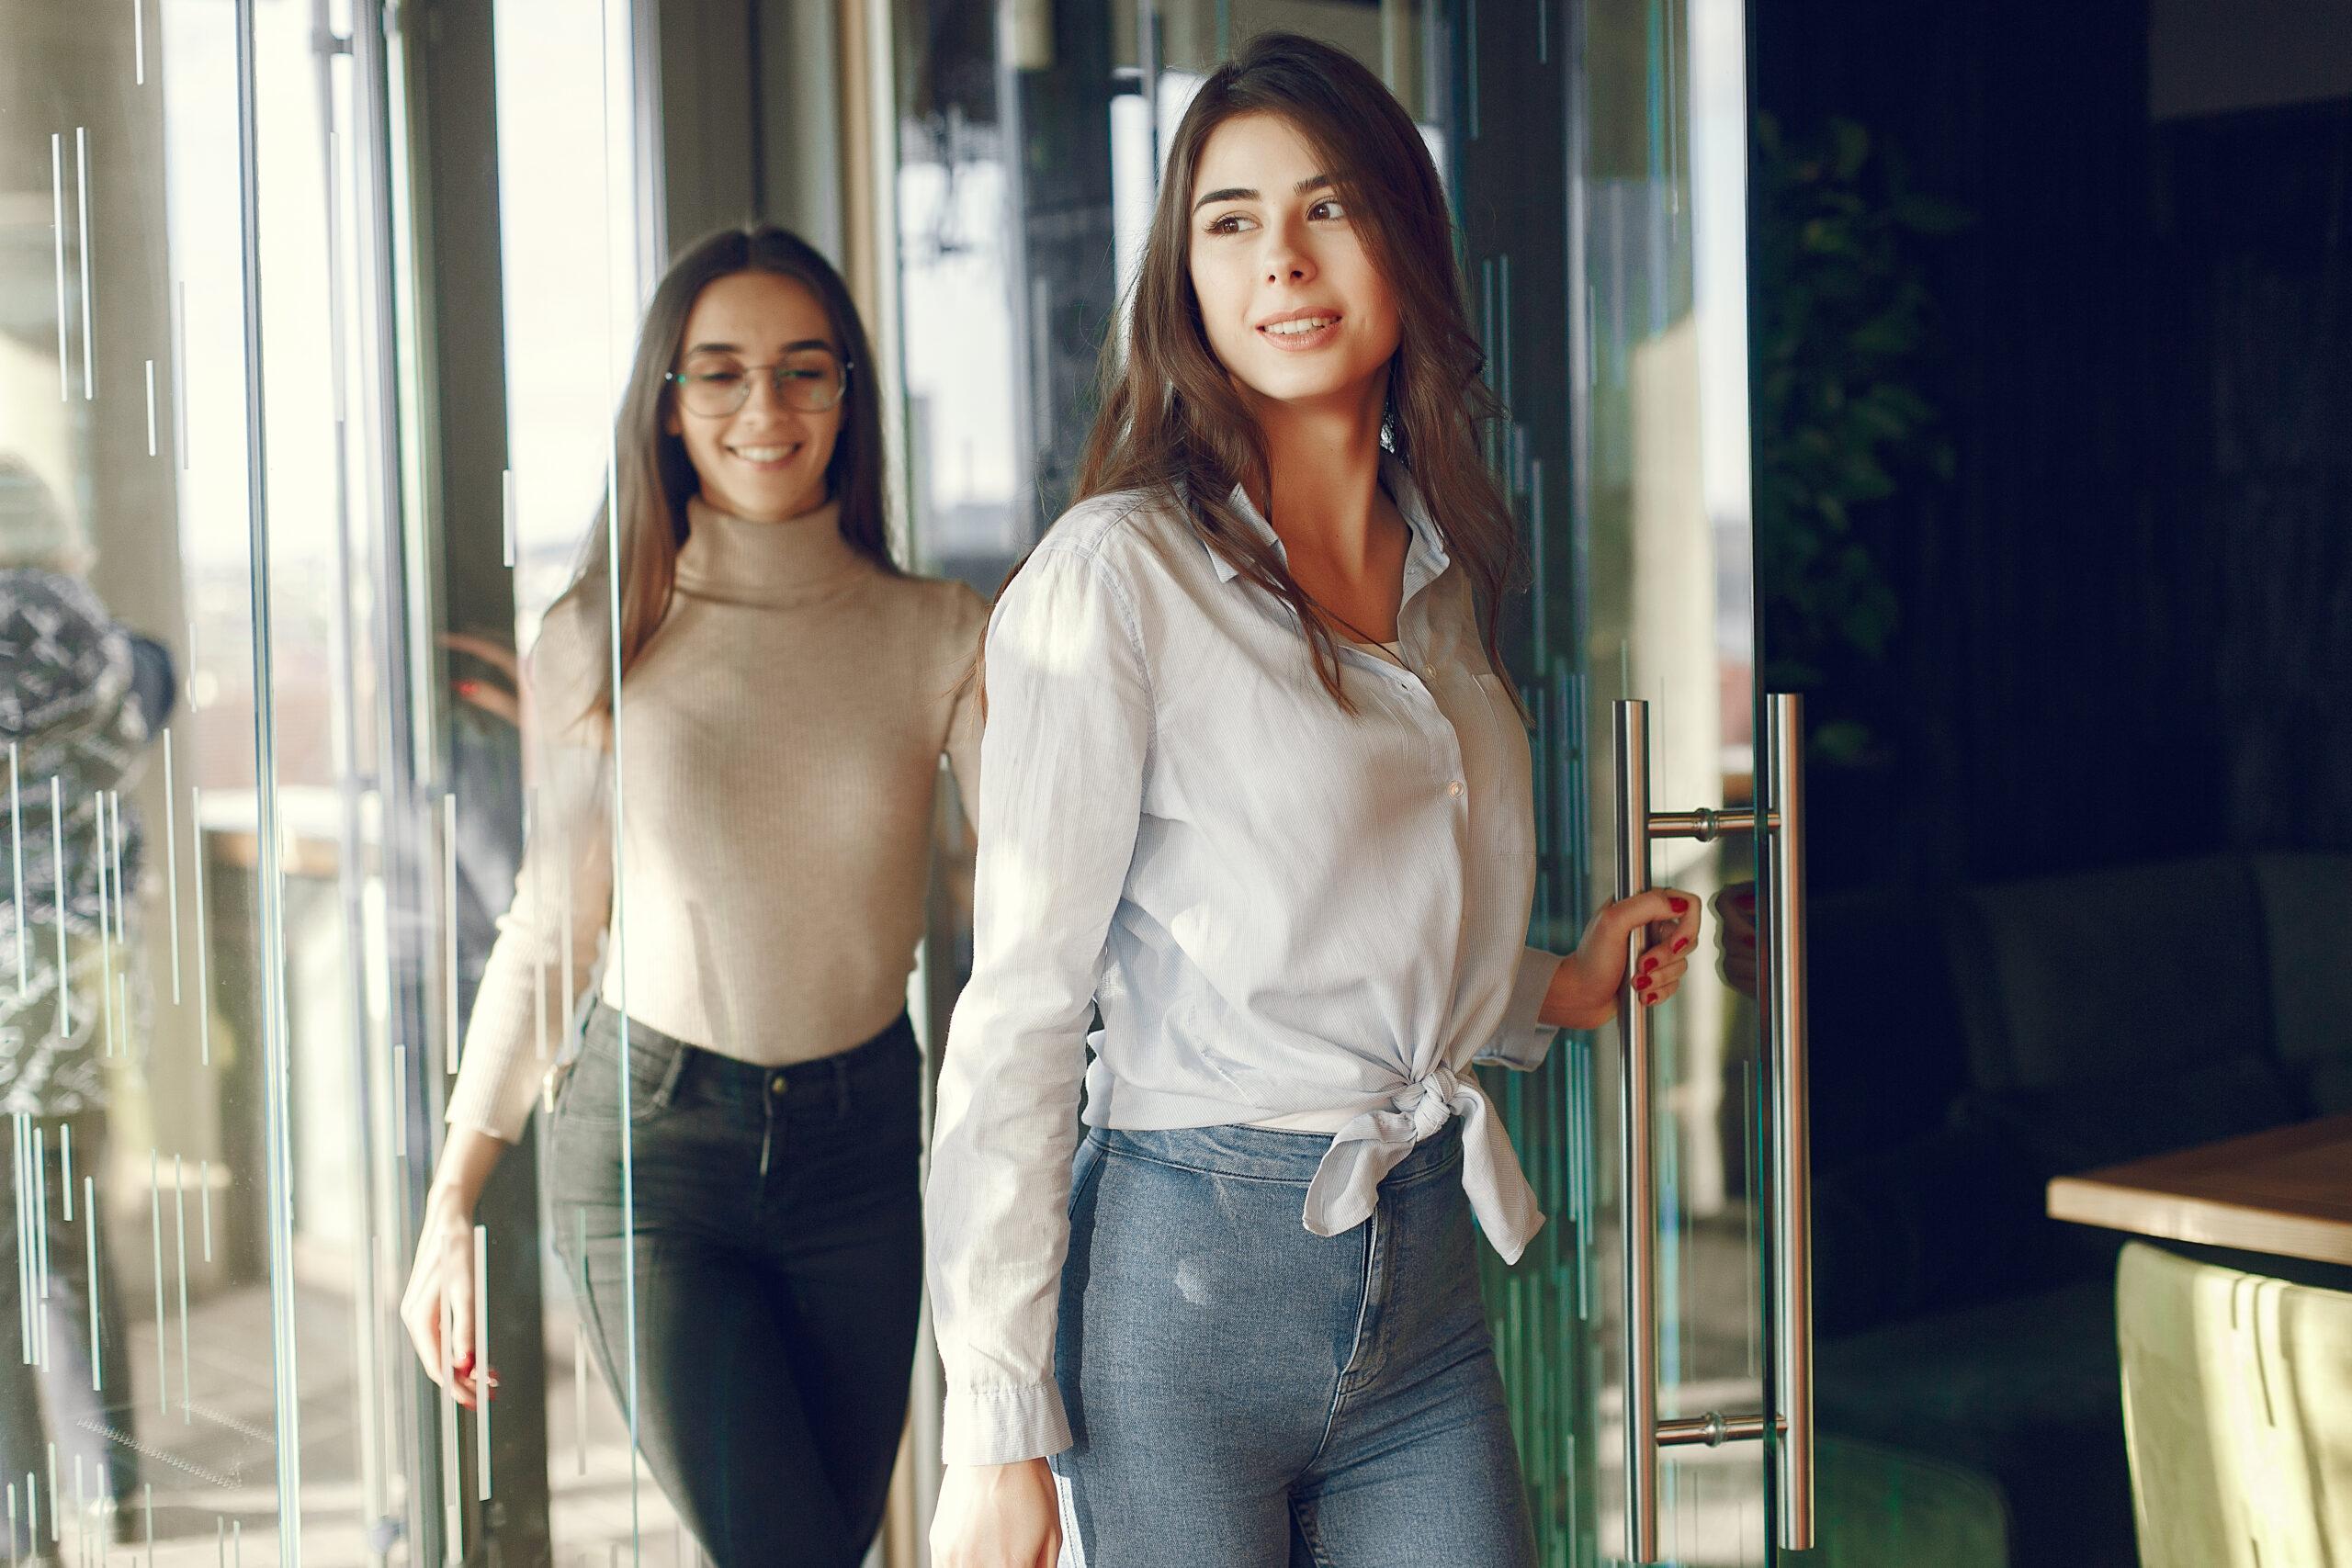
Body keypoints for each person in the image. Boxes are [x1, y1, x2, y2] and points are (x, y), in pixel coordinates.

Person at [923, 34, 1703, 1567]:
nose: (1279, 257)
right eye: (1229, 219)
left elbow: (1359, 931)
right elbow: (1017, 1012)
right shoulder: (1118, 578)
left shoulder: (1436, 575)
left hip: (1422, 1284)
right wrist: (992, 1423)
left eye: (1328, 208)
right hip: (1184, 1299)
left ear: (1403, 240)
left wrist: (1558, 981)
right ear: (1187, 279)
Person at [397, 226, 984, 1567]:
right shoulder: (600, 631)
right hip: (654, 1155)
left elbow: (1035, 915)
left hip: (866, 1150)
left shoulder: (942, 632)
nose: (763, 408)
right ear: (666, 404)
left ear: (849, 394)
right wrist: (449, 1206)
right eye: (717, 373)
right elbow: (553, 925)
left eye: (801, 370)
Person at [0, 455, 175, 1563]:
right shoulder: (122, 654)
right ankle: (105, 1483)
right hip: (79, 986)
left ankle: (22, 1526)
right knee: (67, 1245)